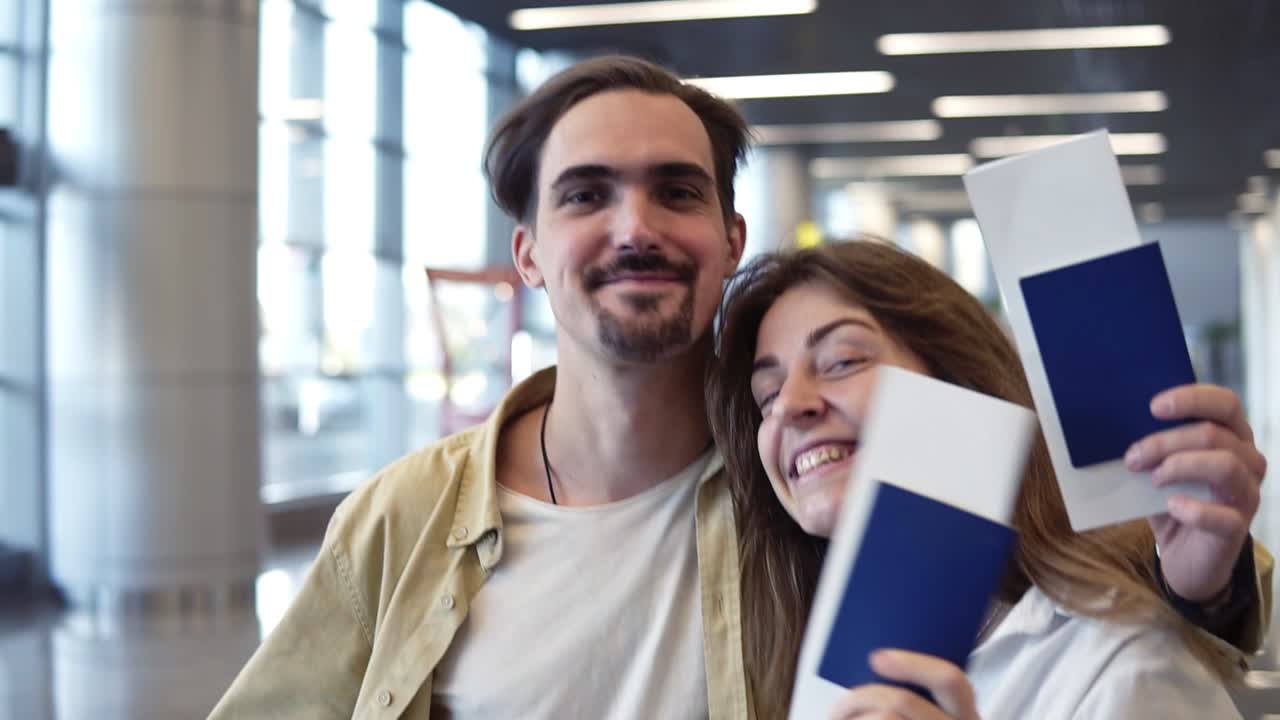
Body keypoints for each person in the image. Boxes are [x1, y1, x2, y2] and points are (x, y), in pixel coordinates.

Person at [211, 56, 1266, 719]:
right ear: (528, 255)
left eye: (675, 190)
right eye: (587, 195)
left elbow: (1100, 593)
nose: (634, 226)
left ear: (727, 238)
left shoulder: (836, 492)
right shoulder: (407, 520)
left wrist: (1206, 580)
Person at [705, 239, 1271, 719]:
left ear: (959, 378)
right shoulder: (790, 670)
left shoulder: (1118, 666)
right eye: (767, 396)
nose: (790, 407)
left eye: (843, 361)